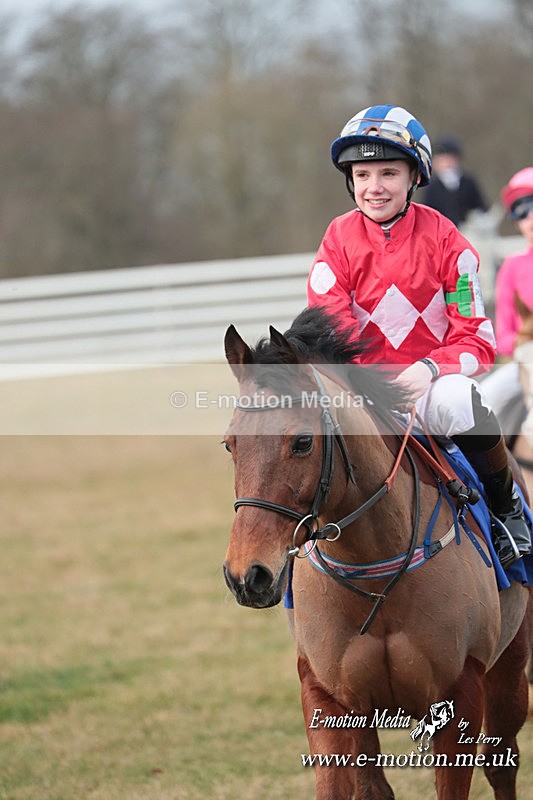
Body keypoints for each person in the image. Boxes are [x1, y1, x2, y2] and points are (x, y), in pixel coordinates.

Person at [306, 104, 530, 568]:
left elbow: (479, 341)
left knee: (461, 400)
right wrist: (371, 385)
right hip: (362, 391)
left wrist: (428, 370)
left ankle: (508, 510)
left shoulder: (448, 241)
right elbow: (330, 329)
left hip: (429, 388)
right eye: (363, 174)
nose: (374, 187)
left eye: (388, 172)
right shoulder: (337, 239)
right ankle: (302, 555)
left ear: (414, 176)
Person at [480, 168, 533, 421]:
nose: (531, 218)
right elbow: (502, 336)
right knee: (481, 401)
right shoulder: (511, 267)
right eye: (522, 211)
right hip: (526, 361)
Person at [418, 135, 487, 227]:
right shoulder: (431, 187)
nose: (446, 164)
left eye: (449, 159)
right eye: (441, 160)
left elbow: (480, 208)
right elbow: (426, 214)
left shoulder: (469, 182)